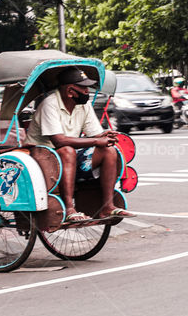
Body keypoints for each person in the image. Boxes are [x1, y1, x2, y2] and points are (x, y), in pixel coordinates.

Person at [24, 67, 135, 222]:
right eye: (83, 88)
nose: (87, 91)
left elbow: (94, 134)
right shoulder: (50, 104)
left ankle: (107, 207)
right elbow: (59, 141)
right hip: (41, 159)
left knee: (108, 150)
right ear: (70, 91)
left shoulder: (84, 105)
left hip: (68, 158)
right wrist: (97, 140)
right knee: (67, 150)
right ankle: (70, 209)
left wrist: (105, 136)